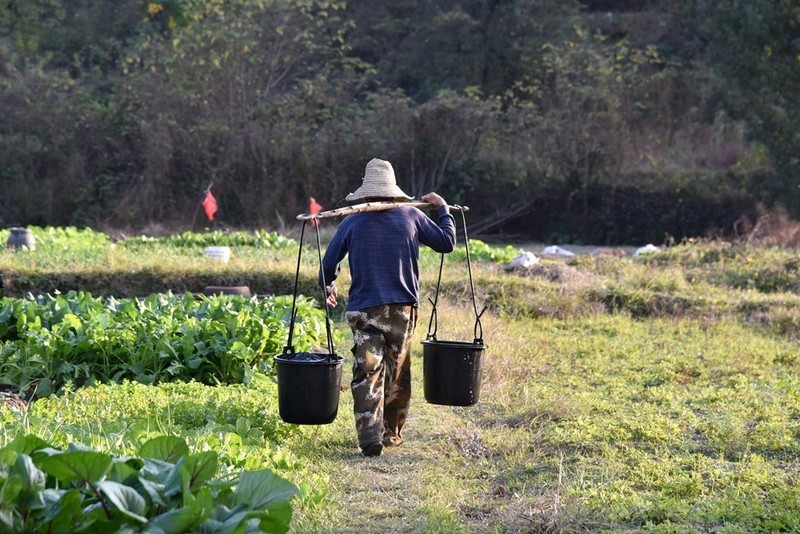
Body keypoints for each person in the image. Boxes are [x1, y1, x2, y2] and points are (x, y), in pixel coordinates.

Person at [320, 158, 456, 457]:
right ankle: (391, 433)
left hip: (364, 310)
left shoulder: (351, 221)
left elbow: (327, 265)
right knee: (397, 370)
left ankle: (369, 435)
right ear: (394, 192)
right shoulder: (412, 215)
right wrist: (443, 208)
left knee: (367, 370)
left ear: (366, 194)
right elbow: (447, 242)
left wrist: (329, 285)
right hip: (401, 310)